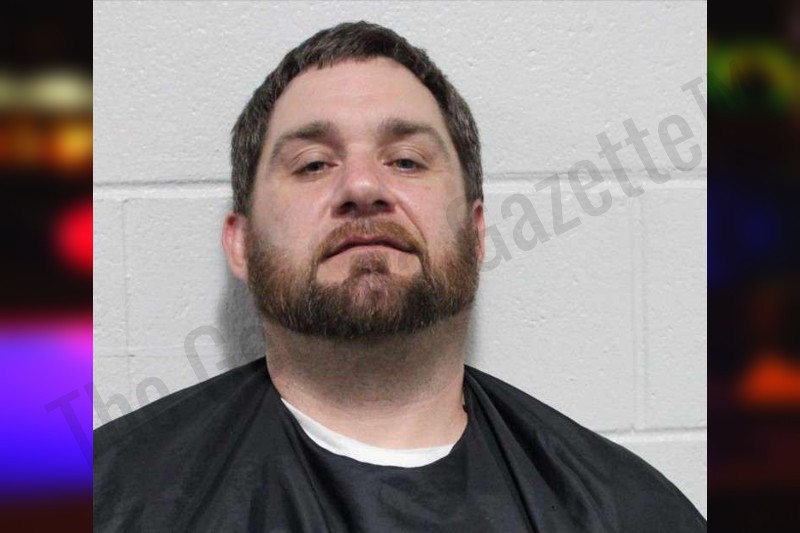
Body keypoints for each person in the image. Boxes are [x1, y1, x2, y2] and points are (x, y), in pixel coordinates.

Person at [93, 21, 706, 532]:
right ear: (241, 244)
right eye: (313, 164)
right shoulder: (108, 498)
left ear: (477, 232)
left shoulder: (631, 514)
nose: (362, 187)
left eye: (407, 161)